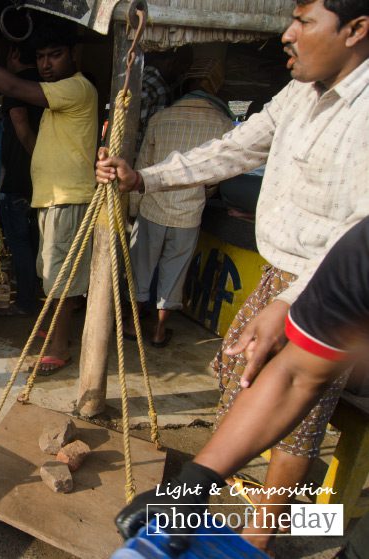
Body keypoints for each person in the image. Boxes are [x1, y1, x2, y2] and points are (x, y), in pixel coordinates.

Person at [97, 0, 369, 550]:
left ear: (356, 30)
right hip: (293, 279)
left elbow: (355, 235)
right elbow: (235, 148)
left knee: (300, 420)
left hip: (320, 285)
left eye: (305, 22)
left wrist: (295, 300)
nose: (286, 36)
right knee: (250, 381)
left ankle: (265, 535)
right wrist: (145, 179)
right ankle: (253, 519)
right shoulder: (300, 93)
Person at [116, 216, 369, 559]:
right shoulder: (362, 250)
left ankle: (266, 534)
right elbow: (298, 375)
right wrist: (193, 483)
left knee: (300, 438)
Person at [0, 18, 99, 374]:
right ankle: (58, 332)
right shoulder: (55, 102)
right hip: (51, 199)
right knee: (52, 273)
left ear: (74, 54)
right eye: (42, 57)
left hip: (68, 198)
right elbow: (32, 140)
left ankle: (60, 347)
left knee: (61, 278)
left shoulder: (76, 88)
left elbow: (14, 85)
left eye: (55, 55)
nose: (47, 64)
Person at [126, 57, 235, 347]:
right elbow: (218, 175)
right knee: (175, 272)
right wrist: (201, 193)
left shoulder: (161, 118)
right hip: (189, 213)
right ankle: (160, 331)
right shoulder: (223, 124)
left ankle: (134, 325)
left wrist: (134, 209)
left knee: (142, 267)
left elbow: (142, 166)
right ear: (215, 86)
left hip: (152, 208)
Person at [0, 43, 44, 317]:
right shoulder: (45, 86)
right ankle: (31, 290)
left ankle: (26, 300)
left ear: (13, 55)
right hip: (39, 181)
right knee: (35, 241)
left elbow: (21, 123)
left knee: (20, 243)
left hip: (19, 180)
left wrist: (38, 161)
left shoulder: (17, 87)